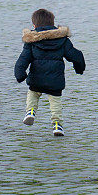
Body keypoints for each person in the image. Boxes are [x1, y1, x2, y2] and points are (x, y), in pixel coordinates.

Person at [14, 8, 86, 137]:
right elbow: (76, 56)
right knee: (55, 101)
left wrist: (20, 75)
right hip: (55, 80)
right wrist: (79, 68)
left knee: (33, 93)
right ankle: (57, 125)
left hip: (37, 79)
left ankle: (30, 112)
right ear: (53, 24)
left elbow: (22, 60)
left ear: (34, 26)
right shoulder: (62, 40)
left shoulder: (31, 41)